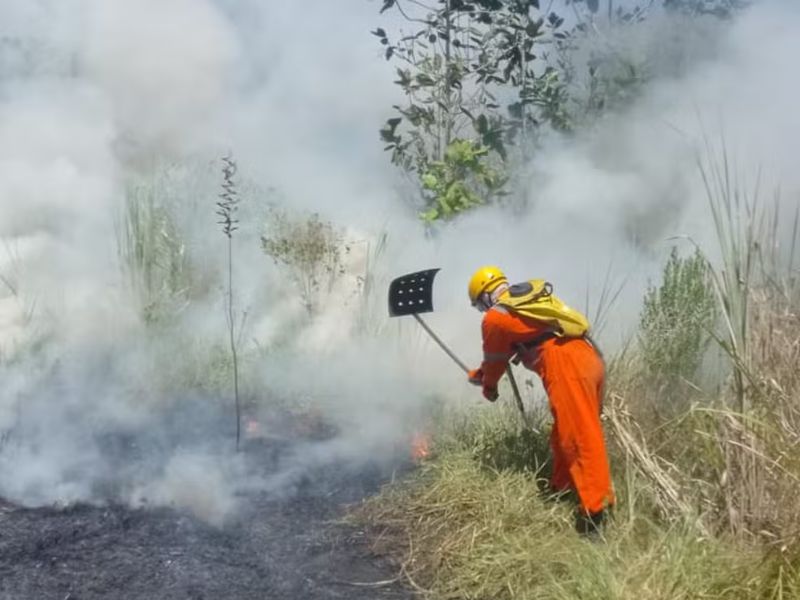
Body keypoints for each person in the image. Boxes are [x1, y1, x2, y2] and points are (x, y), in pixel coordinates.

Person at [466, 265, 614, 534]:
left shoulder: (495, 317)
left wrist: (488, 385)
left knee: (579, 438)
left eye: (479, 305)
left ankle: (596, 513)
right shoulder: (525, 301)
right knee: (562, 434)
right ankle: (562, 488)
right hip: (589, 358)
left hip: (567, 366)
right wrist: (482, 373)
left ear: (485, 296)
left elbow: (496, 358)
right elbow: (503, 353)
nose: (481, 312)